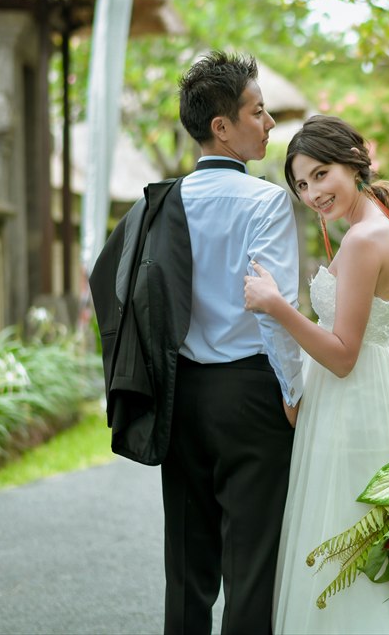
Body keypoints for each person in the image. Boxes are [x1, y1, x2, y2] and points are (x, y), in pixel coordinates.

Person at [243, 115, 389, 634]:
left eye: (321, 174)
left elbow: (345, 354)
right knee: (367, 546)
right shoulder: (378, 227)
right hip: (370, 404)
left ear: (353, 160)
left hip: (350, 408)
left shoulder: (363, 240)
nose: (312, 193)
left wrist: (276, 307)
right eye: (302, 184)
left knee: (348, 539)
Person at [164, 51, 303, 635]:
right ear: (222, 126)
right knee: (253, 564)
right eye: (259, 111)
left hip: (180, 395)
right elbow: (275, 308)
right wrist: (293, 393)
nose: (269, 124)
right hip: (251, 392)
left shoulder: (161, 202)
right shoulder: (267, 201)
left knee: (187, 566)